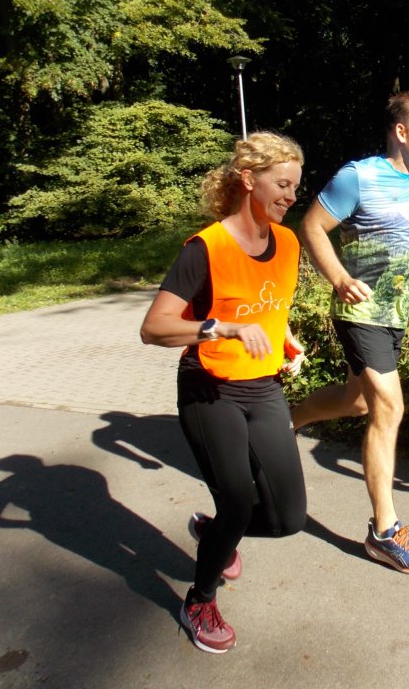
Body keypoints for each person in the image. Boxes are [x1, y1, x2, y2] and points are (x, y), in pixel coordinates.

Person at [140, 131, 309, 653]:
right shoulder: (205, 247)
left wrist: (283, 337)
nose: (291, 195)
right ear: (249, 180)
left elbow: (266, 304)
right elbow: (154, 328)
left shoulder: (288, 243)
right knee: (237, 500)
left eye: (296, 186)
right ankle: (199, 599)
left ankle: (216, 534)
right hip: (208, 389)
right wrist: (222, 328)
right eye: (282, 184)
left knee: (288, 519)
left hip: (263, 387)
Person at [291, 90, 409, 574]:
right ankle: (384, 532)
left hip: (394, 315)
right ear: (401, 132)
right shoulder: (358, 177)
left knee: (357, 402)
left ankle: (284, 422)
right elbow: (312, 226)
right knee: (389, 406)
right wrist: (339, 278)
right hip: (360, 312)